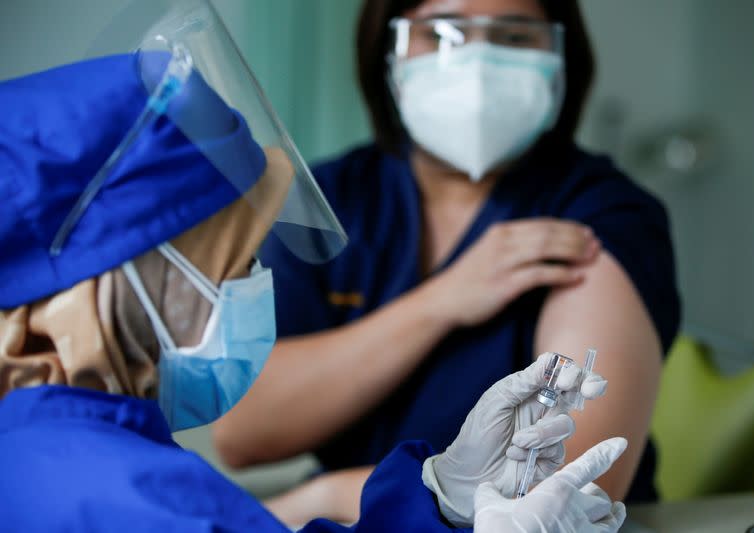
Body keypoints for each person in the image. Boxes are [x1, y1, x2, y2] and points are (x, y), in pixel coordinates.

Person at [0, 1, 629, 531]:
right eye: (233, 263)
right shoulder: (131, 499)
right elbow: (247, 439)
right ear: (85, 292)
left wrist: (440, 493)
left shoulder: (54, 456)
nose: (248, 285)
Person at [213, 0, 680, 524]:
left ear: (561, 56)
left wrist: (325, 498)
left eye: (515, 37)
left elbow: (564, 485)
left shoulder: (599, 213)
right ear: (385, 53)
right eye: (441, 34)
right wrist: (442, 302)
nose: (477, 63)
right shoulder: (333, 199)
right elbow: (243, 430)